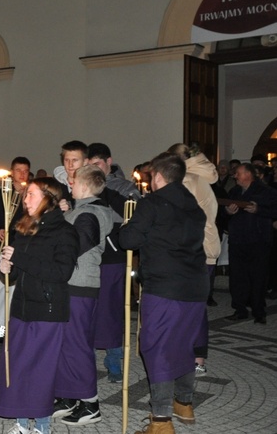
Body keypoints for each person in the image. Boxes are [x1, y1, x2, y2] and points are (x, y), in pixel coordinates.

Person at [119, 152, 208, 434]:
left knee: (156, 346)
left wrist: (128, 224)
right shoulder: (193, 205)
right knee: (184, 343)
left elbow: (128, 239)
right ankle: (184, 403)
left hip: (165, 287)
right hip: (195, 285)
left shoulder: (153, 203)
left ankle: (160, 421)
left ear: (157, 176)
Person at [0, 178, 78, 434]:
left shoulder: (65, 232)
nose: (25, 199)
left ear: (48, 199)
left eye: (30, 194)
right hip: (21, 307)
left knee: (40, 369)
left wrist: (19, 258)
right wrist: (6, 269)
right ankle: (21, 422)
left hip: (48, 310)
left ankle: (41, 424)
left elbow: (61, 272)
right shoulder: (24, 228)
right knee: (17, 365)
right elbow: (18, 273)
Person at [53, 165, 112, 425]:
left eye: (74, 181)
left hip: (79, 285)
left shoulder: (88, 214)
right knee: (66, 342)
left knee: (77, 344)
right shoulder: (82, 212)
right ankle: (68, 395)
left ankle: (90, 403)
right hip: (72, 284)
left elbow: (73, 247)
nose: (70, 185)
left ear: (85, 187)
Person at [87, 143, 141, 383]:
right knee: (85, 310)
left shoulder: (125, 187)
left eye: (97, 165)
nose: (94, 169)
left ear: (109, 162)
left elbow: (135, 214)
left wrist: (103, 191)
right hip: (88, 256)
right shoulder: (84, 184)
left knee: (111, 311)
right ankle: (83, 360)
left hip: (113, 257)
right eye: (90, 166)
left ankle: (113, 362)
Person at [167, 143, 220, 375]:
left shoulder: (187, 181)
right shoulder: (201, 176)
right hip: (205, 246)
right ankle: (196, 357)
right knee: (195, 305)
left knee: (190, 306)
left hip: (194, 250)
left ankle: (193, 357)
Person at [0, 156, 31, 344]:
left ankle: (20, 326)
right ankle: (3, 327)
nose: (22, 174)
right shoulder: (2, 193)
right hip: (6, 247)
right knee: (4, 289)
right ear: (12, 172)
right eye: (18, 170)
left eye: (25, 170)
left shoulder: (33, 194)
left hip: (25, 248)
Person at [224, 163, 277, 324]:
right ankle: (240, 309)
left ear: (248, 174)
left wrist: (258, 210)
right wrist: (228, 212)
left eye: (238, 173)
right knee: (238, 277)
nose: (234, 176)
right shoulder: (234, 191)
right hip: (238, 241)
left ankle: (259, 311)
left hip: (258, 241)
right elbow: (224, 212)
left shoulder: (267, 192)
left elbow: (275, 210)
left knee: (258, 277)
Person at [53, 140, 89, 210]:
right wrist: (56, 209)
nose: (70, 165)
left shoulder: (94, 187)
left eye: (75, 160)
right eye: (66, 160)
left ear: (85, 162)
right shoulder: (53, 186)